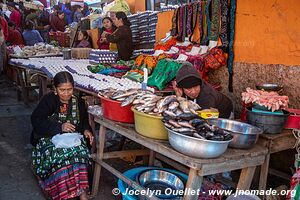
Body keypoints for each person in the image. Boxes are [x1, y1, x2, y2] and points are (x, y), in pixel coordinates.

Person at [31, 71, 93, 200]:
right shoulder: (48, 100)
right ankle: (62, 193)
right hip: (48, 136)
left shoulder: (78, 102)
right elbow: (37, 120)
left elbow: (83, 121)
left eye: (69, 89)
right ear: (55, 89)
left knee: (80, 152)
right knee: (59, 155)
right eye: (62, 90)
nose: (66, 93)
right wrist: (59, 127)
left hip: (72, 137)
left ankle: (82, 193)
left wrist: (87, 130)